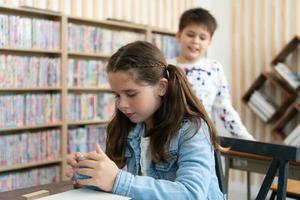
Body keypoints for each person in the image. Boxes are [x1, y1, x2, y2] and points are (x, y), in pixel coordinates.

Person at [66, 41, 225, 199]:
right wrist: (88, 173)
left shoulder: (192, 129)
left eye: (131, 94)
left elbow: (191, 194)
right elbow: (112, 181)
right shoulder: (129, 127)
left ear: (161, 87)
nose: (121, 104)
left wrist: (116, 180)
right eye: (117, 95)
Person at [168, 7, 254, 140]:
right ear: (179, 36)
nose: (195, 41)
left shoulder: (214, 68)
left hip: (203, 139)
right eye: (190, 34)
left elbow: (225, 108)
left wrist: (247, 139)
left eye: (202, 37)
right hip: (171, 137)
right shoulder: (167, 67)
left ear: (209, 42)